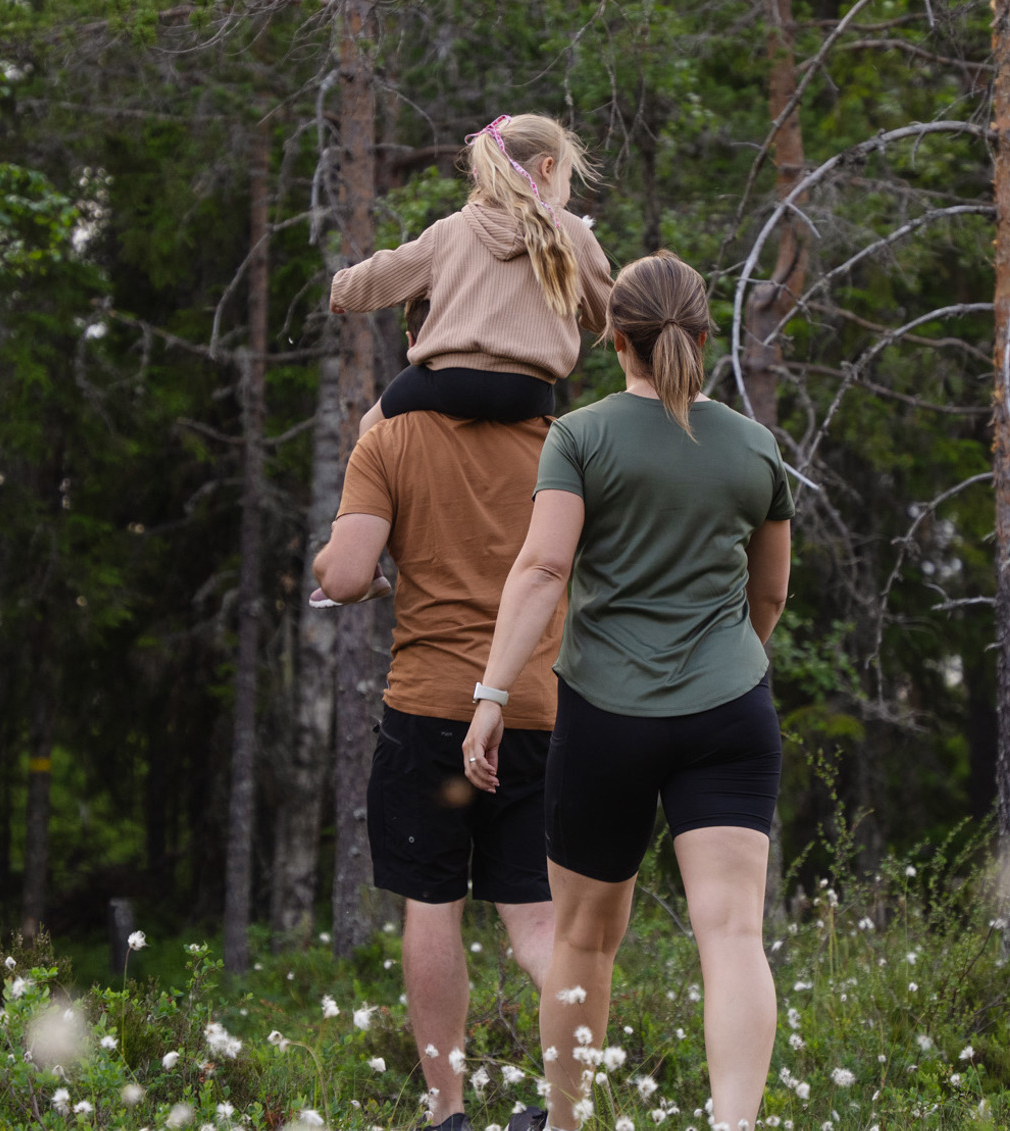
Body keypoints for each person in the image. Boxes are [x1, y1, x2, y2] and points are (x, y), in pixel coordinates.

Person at [460, 251, 796, 1131]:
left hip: (606, 718)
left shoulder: (580, 437)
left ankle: (567, 1125)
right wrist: (724, 669)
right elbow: (769, 596)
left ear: (614, 339)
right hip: (730, 714)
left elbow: (543, 570)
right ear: (703, 335)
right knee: (732, 934)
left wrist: (492, 694)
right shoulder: (754, 446)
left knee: (583, 937)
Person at [312, 407, 570, 1131]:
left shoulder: (393, 438)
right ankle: (568, 1110)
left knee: (431, 904)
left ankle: (448, 1113)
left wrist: (345, 569)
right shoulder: (561, 438)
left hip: (429, 709)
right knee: (541, 924)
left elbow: (345, 574)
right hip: (535, 706)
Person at [330, 113, 615, 432]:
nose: (569, 190)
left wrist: (342, 290)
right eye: (569, 178)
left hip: (449, 382)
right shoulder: (573, 233)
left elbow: (387, 272)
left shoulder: (450, 230)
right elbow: (610, 313)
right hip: (528, 393)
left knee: (370, 425)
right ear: (547, 168)